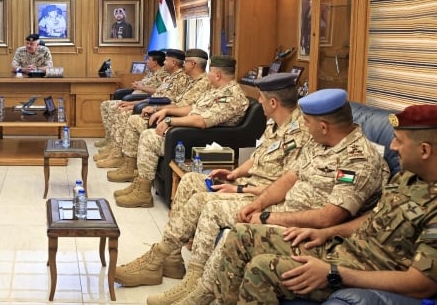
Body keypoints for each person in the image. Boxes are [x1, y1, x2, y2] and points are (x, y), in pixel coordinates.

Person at [156, 88, 389, 305]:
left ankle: (204, 294)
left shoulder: (359, 160)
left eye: (307, 123)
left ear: (324, 126)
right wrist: (258, 205)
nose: (305, 127)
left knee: (236, 234)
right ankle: (200, 288)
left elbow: (328, 217)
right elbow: (289, 178)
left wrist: (268, 218)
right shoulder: (322, 143)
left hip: (311, 232)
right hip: (285, 211)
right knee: (230, 222)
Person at [211, 104, 437, 305]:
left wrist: (334, 273)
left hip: (366, 271)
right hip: (343, 247)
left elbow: (421, 285)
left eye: (399, 141)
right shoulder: (407, 177)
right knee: (242, 235)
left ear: (425, 150)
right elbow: (374, 217)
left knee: (261, 268)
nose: (392, 146)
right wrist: (327, 233)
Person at [113, 73, 308, 290]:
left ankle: (182, 273)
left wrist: (241, 188)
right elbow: (257, 157)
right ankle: (172, 259)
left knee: (202, 202)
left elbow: (287, 186)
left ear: (273, 102)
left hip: (263, 196)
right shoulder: (274, 123)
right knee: (190, 180)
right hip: (248, 183)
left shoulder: (301, 134)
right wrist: (234, 174)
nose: (258, 100)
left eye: (261, 97)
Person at [110, 55, 250, 208]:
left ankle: (143, 193)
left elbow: (201, 121)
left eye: (210, 71)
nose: (208, 74)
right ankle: (140, 183)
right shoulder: (216, 90)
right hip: (189, 132)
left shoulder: (231, 96)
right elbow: (192, 108)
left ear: (217, 75)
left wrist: (170, 121)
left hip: (201, 139)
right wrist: (165, 112)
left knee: (149, 137)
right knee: (149, 134)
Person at [95, 50, 171, 169]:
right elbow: (157, 94)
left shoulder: (165, 75)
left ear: (155, 62)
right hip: (144, 101)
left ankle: (118, 155)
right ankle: (112, 144)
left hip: (150, 105)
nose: (146, 61)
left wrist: (139, 93)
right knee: (108, 105)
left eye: (148, 59)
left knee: (121, 111)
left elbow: (160, 96)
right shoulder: (154, 74)